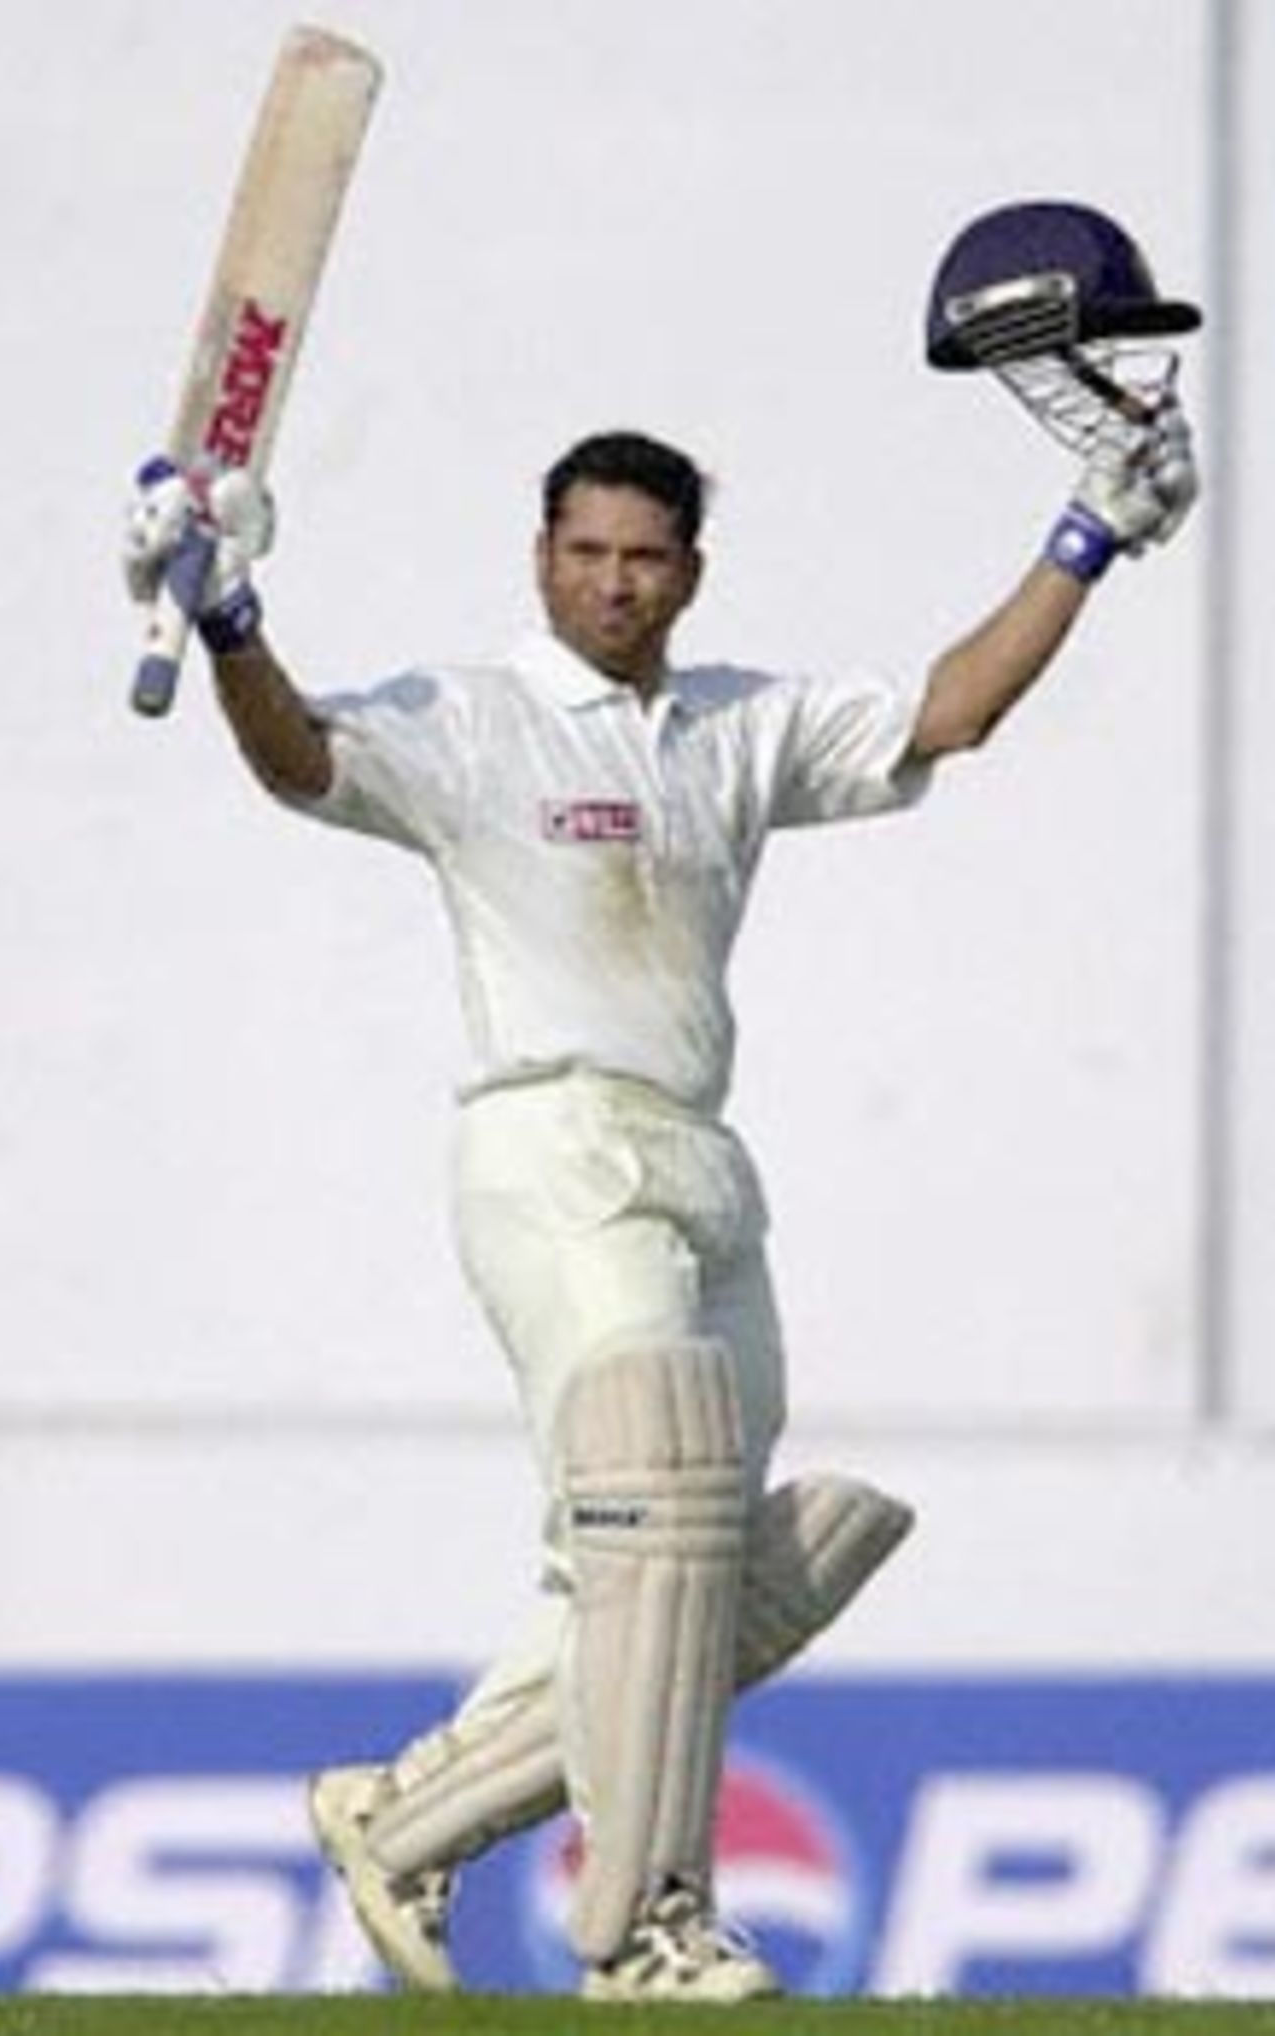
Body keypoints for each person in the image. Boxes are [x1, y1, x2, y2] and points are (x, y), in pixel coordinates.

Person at [123, 382, 1196, 2000]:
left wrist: (1093, 531)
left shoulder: (734, 726)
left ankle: (406, 1813)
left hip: (701, 1155)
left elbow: (948, 712)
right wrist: (228, 625)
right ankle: (641, 1928)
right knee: (664, 1518)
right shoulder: (472, 720)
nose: (613, 582)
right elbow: (301, 762)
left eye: (645, 557)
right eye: (584, 552)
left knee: (711, 1574)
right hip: (552, 1145)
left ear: (689, 573)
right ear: (541, 557)